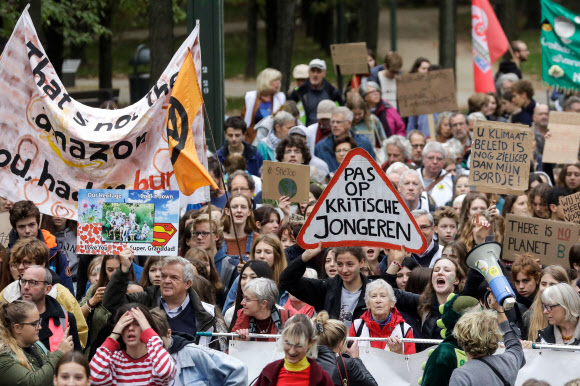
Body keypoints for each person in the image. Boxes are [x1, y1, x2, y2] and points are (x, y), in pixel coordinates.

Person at [101, 250, 217, 347]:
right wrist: (124, 269)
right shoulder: (145, 299)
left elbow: (213, 355)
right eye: (164, 276)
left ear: (188, 283)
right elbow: (111, 304)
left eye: (174, 277)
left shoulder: (206, 313)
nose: (166, 281)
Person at [0, 238, 88, 348]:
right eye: (18, 263)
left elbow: (80, 331)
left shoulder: (61, 293)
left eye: (27, 262)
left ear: (42, 264)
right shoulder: (7, 293)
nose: (21, 267)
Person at [150, 309, 248, 386]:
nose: (155, 346)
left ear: (168, 333)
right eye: (148, 342)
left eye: (159, 341)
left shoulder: (192, 353)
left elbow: (238, 369)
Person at [281, 245, 368, 329]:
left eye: (350, 264)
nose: (344, 270)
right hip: (330, 343)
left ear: (361, 263)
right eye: (340, 264)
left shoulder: (373, 290)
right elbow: (287, 280)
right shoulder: (326, 288)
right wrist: (305, 257)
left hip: (363, 344)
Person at [89, 304, 176, 385]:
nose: (130, 328)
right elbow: (93, 377)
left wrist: (148, 331)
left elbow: (166, 371)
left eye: (137, 324)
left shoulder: (157, 359)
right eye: (126, 324)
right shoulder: (113, 360)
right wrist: (114, 335)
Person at [0, 300, 74, 385]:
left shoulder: (36, 344)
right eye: (34, 324)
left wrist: (66, 355)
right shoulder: (3, 356)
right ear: (17, 328)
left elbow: (52, 370)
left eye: (39, 322)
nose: (40, 327)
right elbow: (33, 382)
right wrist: (60, 353)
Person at [449, 304, 525, 385]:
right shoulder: (507, 363)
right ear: (496, 336)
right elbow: (514, 345)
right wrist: (500, 310)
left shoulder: (462, 375)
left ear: (461, 339)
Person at [8, 200, 74, 294]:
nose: (27, 231)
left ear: (38, 224)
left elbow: (68, 291)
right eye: (22, 227)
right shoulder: (7, 255)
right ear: (15, 228)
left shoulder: (54, 250)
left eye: (31, 225)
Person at [81, 255, 142, 353]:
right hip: (96, 351)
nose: (114, 274)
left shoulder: (136, 290)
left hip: (127, 352)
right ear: (104, 270)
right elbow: (76, 317)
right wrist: (92, 301)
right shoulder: (94, 289)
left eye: (118, 269)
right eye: (110, 269)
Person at [254, 314, 333, 385]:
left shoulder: (322, 379)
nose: (292, 351)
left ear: (311, 343)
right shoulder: (268, 373)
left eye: (299, 345)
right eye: (288, 343)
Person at [20, 265, 81, 352]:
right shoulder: (8, 315)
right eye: (23, 281)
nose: (25, 287)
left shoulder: (65, 318)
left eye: (33, 282)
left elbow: (77, 357)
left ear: (47, 289)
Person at [350, 279, 416, 354]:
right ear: (367, 304)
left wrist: (399, 352)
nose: (378, 300)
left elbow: (410, 364)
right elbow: (347, 359)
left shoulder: (405, 329)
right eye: (374, 296)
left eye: (383, 296)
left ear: (392, 303)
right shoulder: (357, 326)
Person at [314, 311, 378, 386]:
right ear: (341, 343)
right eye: (345, 340)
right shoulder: (345, 363)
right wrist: (355, 358)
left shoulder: (307, 359)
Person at [315, 106, 376, 173]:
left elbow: (373, 171)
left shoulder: (364, 144)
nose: (334, 125)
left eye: (338, 122)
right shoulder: (321, 147)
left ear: (349, 123)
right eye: (332, 122)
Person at [233, 278, 293, 342]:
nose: (242, 302)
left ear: (263, 303)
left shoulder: (288, 318)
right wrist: (239, 342)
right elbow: (231, 350)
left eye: (247, 299)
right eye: (243, 297)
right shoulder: (243, 317)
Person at [288, 58, 343, 126]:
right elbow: (288, 111)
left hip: (328, 132)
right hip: (305, 131)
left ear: (324, 74)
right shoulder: (298, 92)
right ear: (309, 73)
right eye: (313, 71)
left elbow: (342, 112)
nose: (315, 74)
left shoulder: (333, 92)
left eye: (318, 71)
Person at [242, 68, 286, 143]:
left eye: (279, 80)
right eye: (275, 80)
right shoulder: (251, 97)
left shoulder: (280, 97)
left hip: (273, 140)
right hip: (252, 140)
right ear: (266, 81)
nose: (278, 83)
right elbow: (244, 120)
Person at [418, 142, 454, 208]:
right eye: (431, 158)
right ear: (423, 158)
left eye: (439, 159)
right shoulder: (413, 176)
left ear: (444, 161)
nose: (435, 162)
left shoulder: (451, 179)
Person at [222, 195, 256, 261]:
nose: (239, 210)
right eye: (235, 207)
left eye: (243, 207)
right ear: (227, 211)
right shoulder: (217, 240)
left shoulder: (257, 240)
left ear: (249, 212)